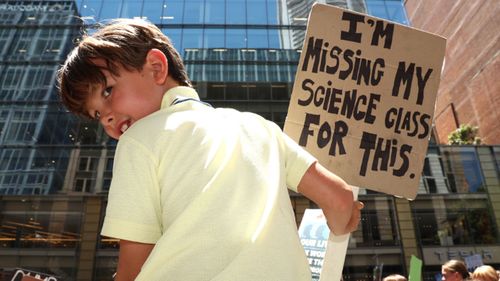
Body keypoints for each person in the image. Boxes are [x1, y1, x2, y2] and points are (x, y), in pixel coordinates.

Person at [57, 18, 364, 281]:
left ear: (156, 67)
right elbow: (339, 200)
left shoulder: (139, 140)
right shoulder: (261, 128)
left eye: (108, 91)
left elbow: (133, 269)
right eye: (96, 115)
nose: (107, 117)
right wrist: (342, 221)